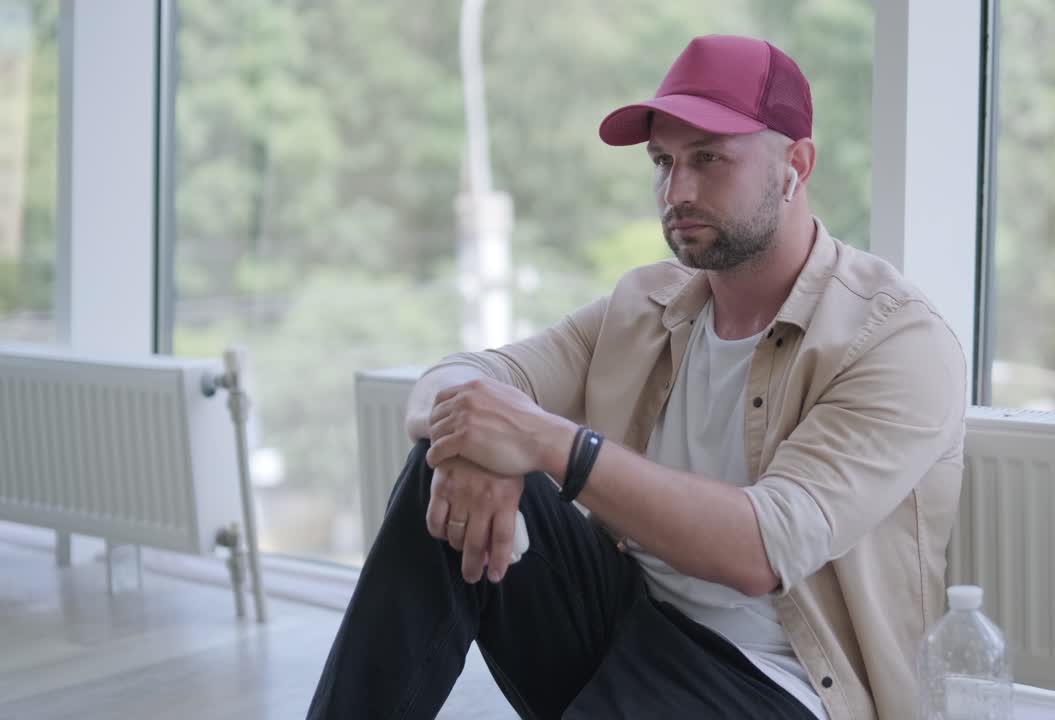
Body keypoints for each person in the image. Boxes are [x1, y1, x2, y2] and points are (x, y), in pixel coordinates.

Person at [307, 34, 966, 720]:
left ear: (794, 166)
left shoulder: (892, 339)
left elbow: (762, 549)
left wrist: (545, 443)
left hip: (776, 682)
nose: (676, 191)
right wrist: (476, 443)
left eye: (708, 158)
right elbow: (456, 379)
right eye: (662, 161)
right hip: (624, 623)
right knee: (439, 463)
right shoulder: (649, 304)